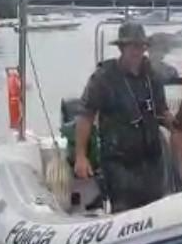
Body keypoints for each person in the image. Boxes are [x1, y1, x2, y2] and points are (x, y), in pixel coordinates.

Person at [74, 22, 174, 212]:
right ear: (121, 48)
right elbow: (86, 116)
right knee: (124, 210)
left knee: (156, 209)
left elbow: (162, 111)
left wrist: (178, 126)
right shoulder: (104, 78)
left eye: (141, 46)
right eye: (132, 46)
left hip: (152, 161)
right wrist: (81, 156)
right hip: (119, 162)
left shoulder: (152, 75)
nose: (137, 51)